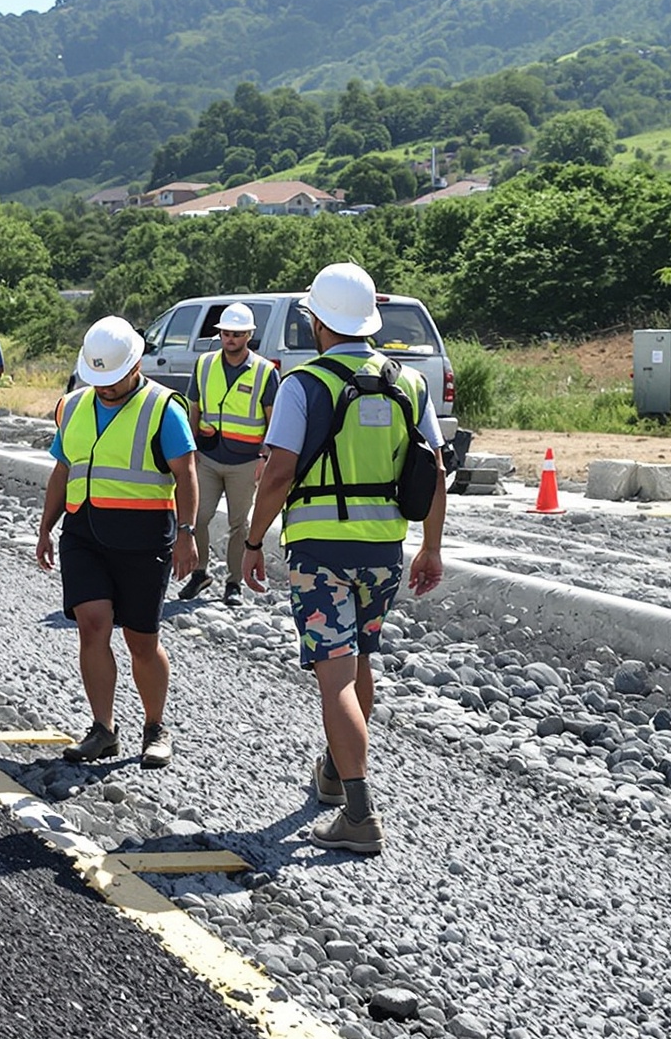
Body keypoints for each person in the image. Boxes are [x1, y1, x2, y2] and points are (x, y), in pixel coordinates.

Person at [239, 263, 446, 856]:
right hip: (384, 549)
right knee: (358, 663)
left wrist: (253, 542)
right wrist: (430, 546)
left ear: (315, 320)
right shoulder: (409, 383)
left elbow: (278, 473)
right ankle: (334, 771)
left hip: (321, 551)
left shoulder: (303, 385)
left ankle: (358, 813)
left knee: (334, 677)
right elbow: (434, 474)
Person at [36, 316, 199, 770]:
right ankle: (103, 730)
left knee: (141, 640)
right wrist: (46, 527)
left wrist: (187, 535)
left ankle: (155, 727)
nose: (105, 388)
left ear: (136, 364)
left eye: (113, 379)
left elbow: (185, 475)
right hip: (84, 532)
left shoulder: (163, 408)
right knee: (91, 624)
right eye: (98, 380)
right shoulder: (72, 406)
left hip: (144, 537)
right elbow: (62, 471)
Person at [183, 302, 278, 605]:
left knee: (240, 524)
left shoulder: (265, 372)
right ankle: (200, 574)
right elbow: (194, 408)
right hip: (208, 456)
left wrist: (265, 458)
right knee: (198, 516)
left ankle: (233, 584)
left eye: (237, 334)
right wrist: (190, 446)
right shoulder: (205, 364)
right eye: (226, 333)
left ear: (249, 335)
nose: (230, 339)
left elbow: (273, 420)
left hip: (245, 461)